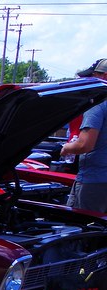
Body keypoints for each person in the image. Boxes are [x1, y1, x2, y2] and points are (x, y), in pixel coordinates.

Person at [62, 58, 107, 213]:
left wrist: (66, 148)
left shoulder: (98, 104)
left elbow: (85, 145)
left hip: (96, 181)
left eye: (94, 76)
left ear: (105, 76)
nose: (89, 80)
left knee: (85, 229)